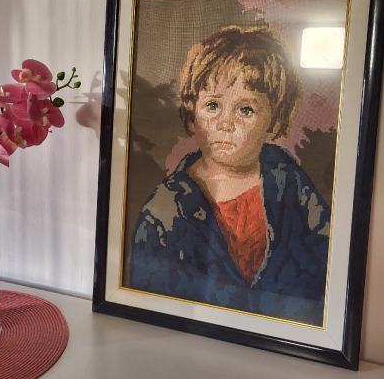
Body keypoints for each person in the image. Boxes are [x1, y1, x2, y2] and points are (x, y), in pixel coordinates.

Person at [130, 26, 330, 326]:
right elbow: (152, 306)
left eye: (245, 110)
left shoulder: (288, 181)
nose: (226, 123)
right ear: (191, 114)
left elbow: (328, 259)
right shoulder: (165, 212)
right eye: (212, 105)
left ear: (274, 121)